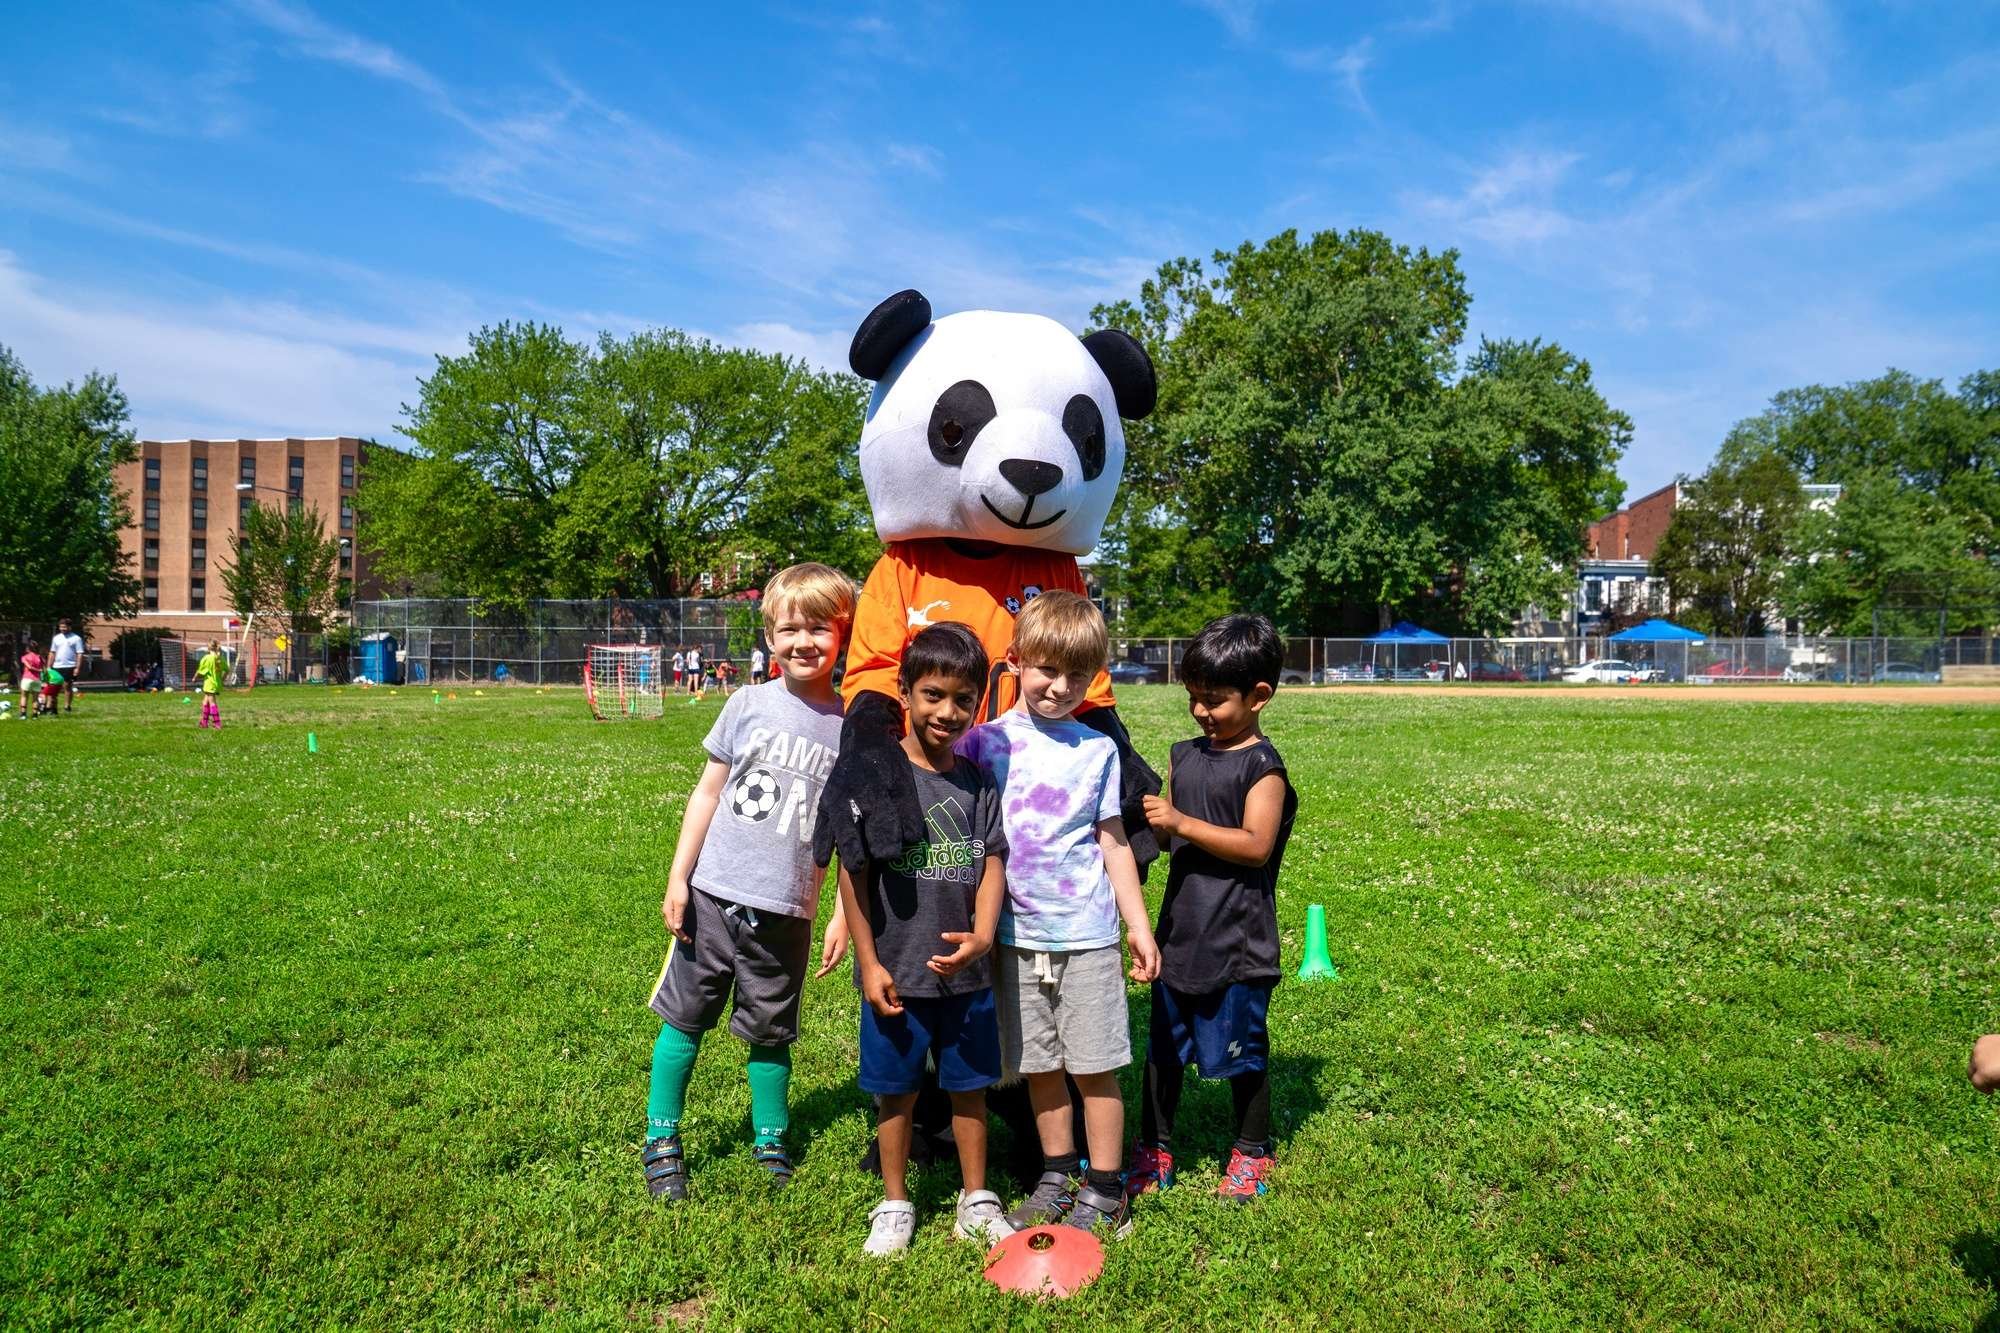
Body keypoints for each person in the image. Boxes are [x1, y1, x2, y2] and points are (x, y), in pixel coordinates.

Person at [641, 563, 854, 1202]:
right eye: (790, 629)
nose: (803, 642)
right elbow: (708, 793)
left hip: (788, 909)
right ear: (769, 636)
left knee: (771, 1032)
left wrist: (842, 912)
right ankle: (662, 1138)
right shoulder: (747, 703)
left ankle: (770, 1139)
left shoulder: (852, 723)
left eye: (819, 628)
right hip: (713, 895)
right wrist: (679, 877)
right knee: (684, 1021)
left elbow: (850, 832)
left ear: (843, 635)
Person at [958, 590, 1161, 1238]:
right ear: (1015, 659)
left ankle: (1105, 1188)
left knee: (1092, 1065)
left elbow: (1113, 842)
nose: (1061, 685)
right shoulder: (983, 745)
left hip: (1086, 937)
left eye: (1078, 674)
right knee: (1039, 1065)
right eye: (1047, 668)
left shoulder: (1097, 750)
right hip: (1015, 938)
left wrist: (1137, 924)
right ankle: (1055, 1174)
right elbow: (969, 840)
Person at [838, 623, 1012, 1255]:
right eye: (933, 694)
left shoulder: (978, 781)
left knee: (969, 1087)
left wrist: (985, 933)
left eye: (964, 699)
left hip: (967, 974)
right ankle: (894, 1202)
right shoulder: (877, 777)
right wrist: (869, 962)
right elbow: (853, 875)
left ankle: (975, 1198)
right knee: (897, 1091)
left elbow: (993, 859)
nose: (948, 711)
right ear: (904, 693)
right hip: (898, 972)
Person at [1131, 614, 1297, 1203]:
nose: (1201, 711)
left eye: (1215, 701)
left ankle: (1252, 1151)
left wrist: (1180, 822)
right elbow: (1168, 837)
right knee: (1163, 1049)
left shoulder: (1264, 768)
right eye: (1193, 698)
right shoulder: (1184, 754)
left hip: (1240, 940)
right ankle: (1154, 1147)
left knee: (1242, 1050)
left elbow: (1255, 847)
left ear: (1258, 697)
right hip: (1181, 930)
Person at [49, 618, 84, 711]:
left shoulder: (76, 639)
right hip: (57, 666)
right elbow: (52, 652)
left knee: (67, 686)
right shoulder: (56, 638)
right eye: (60, 627)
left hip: (69, 666)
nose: (62, 629)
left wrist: (77, 668)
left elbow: (79, 654)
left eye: (64, 627)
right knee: (53, 687)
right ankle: (52, 707)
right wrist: (49, 666)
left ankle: (67, 706)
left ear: (69, 627)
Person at [194, 640, 227, 728]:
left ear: (208, 648)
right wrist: (222, 679)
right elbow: (227, 670)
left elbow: (200, 671)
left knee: (212, 703)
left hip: (210, 683)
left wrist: (195, 678)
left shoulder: (207, 658)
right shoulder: (220, 658)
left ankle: (217, 723)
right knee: (205, 701)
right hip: (217, 683)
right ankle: (204, 723)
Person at [18, 640, 45, 718]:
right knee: (35, 698)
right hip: (37, 680)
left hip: (27, 679)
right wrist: (40, 671)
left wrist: (37, 670)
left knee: (24, 696)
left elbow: (29, 667)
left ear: (28, 648)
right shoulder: (39, 657)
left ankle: (23, 715)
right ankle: (35, 715)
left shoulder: (25, 657)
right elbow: (44, 668)